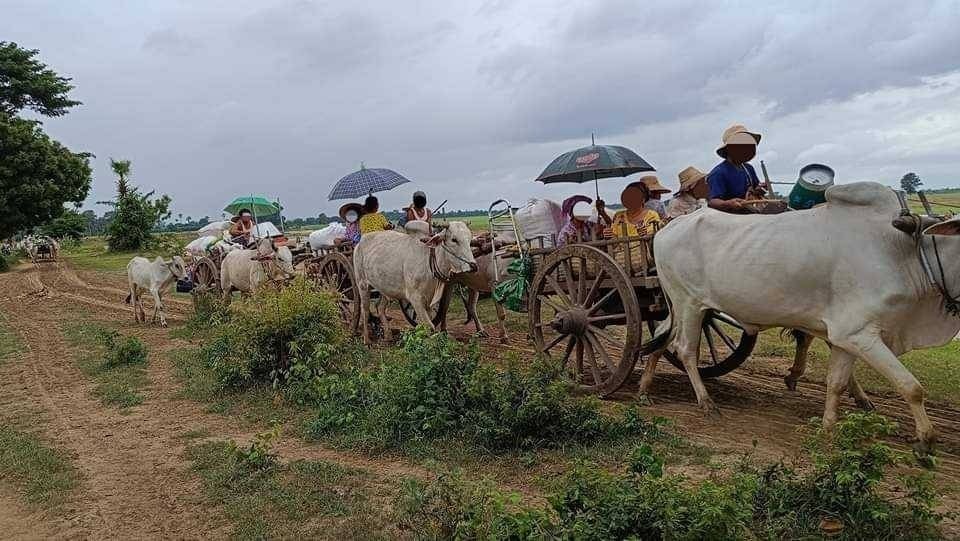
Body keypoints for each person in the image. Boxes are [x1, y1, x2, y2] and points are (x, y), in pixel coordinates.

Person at [707, 124, 766, 213]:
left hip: (751, 213)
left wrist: (760, 189)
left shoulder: (748, 168)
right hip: (731, 218)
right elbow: (712, 202)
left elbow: (755, 189)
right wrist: (728, 203)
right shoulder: (718, 173)